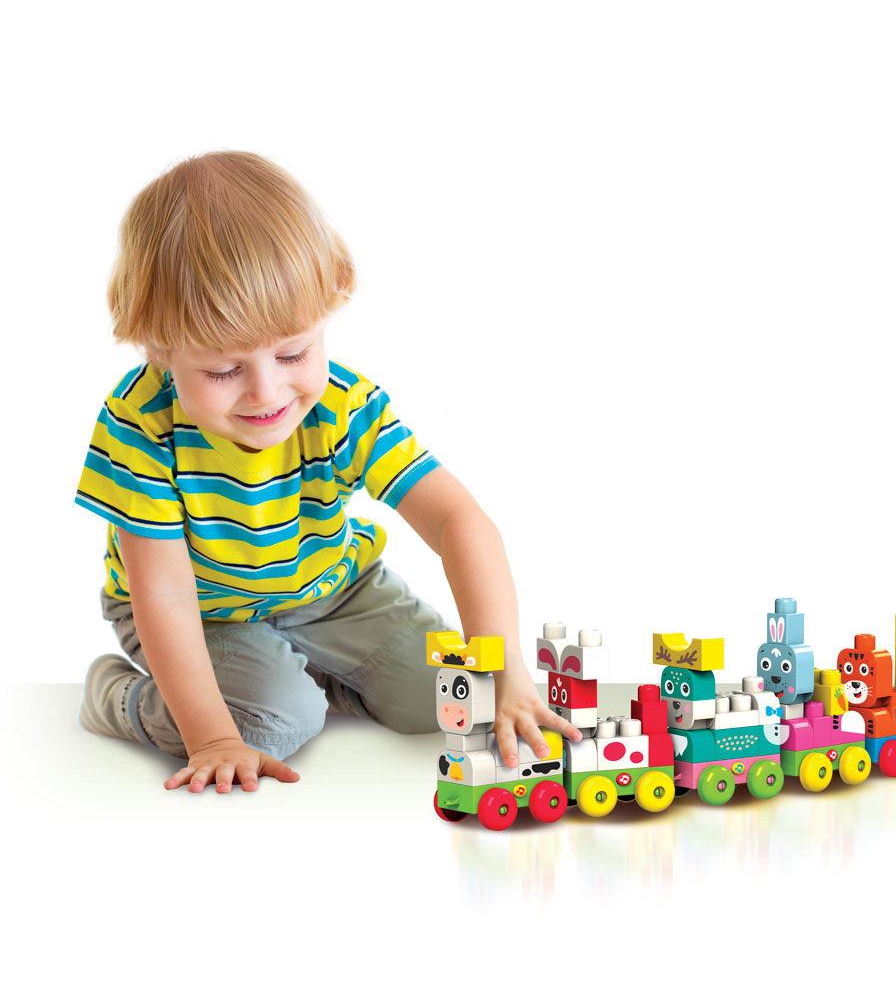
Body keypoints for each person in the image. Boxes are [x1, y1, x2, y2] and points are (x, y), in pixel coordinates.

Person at [76, 150, 582, 793]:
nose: (267, 392)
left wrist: (509, 674)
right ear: (159, 348)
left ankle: (301, 680)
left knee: (455, 698)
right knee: (268, 728)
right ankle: (118, 697)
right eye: (224, 370)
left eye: (293, 353)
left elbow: (459, 521)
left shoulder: (343, 407)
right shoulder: (140, 424)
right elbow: (166, 596)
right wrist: (212, 738)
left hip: (330, 590)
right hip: (199, 613)